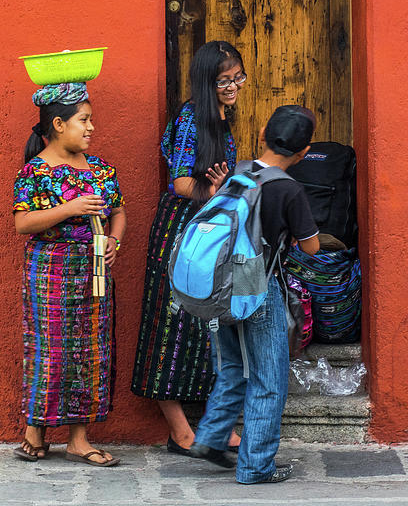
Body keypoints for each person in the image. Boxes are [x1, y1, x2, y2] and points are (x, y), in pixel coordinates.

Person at [189, 105, 320, 484]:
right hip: (256, 287)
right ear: (304, 151)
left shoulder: (238, 174)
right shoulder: (289, 189)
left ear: (262, 132)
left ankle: (212, 439)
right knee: (269, 377)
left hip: (218, 286)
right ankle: (255, 466)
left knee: (233, 367)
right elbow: (310, 247)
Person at [131, 41, 245, 454]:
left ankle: (213, 427)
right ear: (206, 80)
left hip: (205, 228)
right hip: (181, 232)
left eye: (237, 77)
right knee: (171, 325)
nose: (233, 86)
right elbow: (181, 182)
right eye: (224, 80)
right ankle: (180, 431)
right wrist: (212, 190)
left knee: (206, 327)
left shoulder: (217, 114)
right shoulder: (192, 117)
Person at [12, 82, 125, 467]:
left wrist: (115, 240)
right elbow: (23, 223)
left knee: (91, 352)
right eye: (84, 120)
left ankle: (79, 439)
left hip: (94, 271)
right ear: (58, 124)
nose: (91, 127)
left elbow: (119, 211)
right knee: (51, 351)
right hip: (50, 272)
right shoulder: (35, 173)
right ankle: (35, 430)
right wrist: (71, 207)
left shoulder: (102, 170)